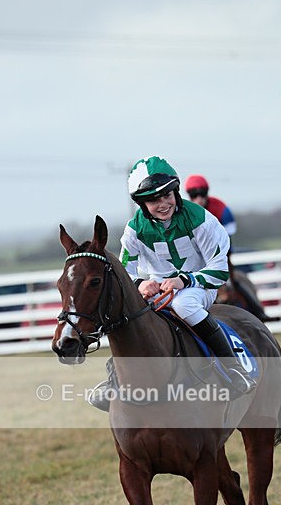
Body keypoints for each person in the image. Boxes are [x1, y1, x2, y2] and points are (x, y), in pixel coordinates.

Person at [89, 156, 256, 410]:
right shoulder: (134, 229)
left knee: (184, 304)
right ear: (141, 204)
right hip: (157, 287)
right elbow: (125, 271)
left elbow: (220, 270)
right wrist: (138, 285)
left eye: (167, 194)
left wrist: (185, 280)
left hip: (200, 285)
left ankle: (233, 368)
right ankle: (114, 379)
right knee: (127, 312)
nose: (163, 203)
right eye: (153, 199)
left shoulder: (200, 219)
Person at [184, 173, 269, 322]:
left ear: (206, 193)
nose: (198, 199)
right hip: (197, 255)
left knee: (235, 281)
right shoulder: (185, 211)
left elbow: (230, 230)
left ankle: (258, 311)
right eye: (193, 195)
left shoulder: (220, 207)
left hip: (221, 252)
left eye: (201, 194)